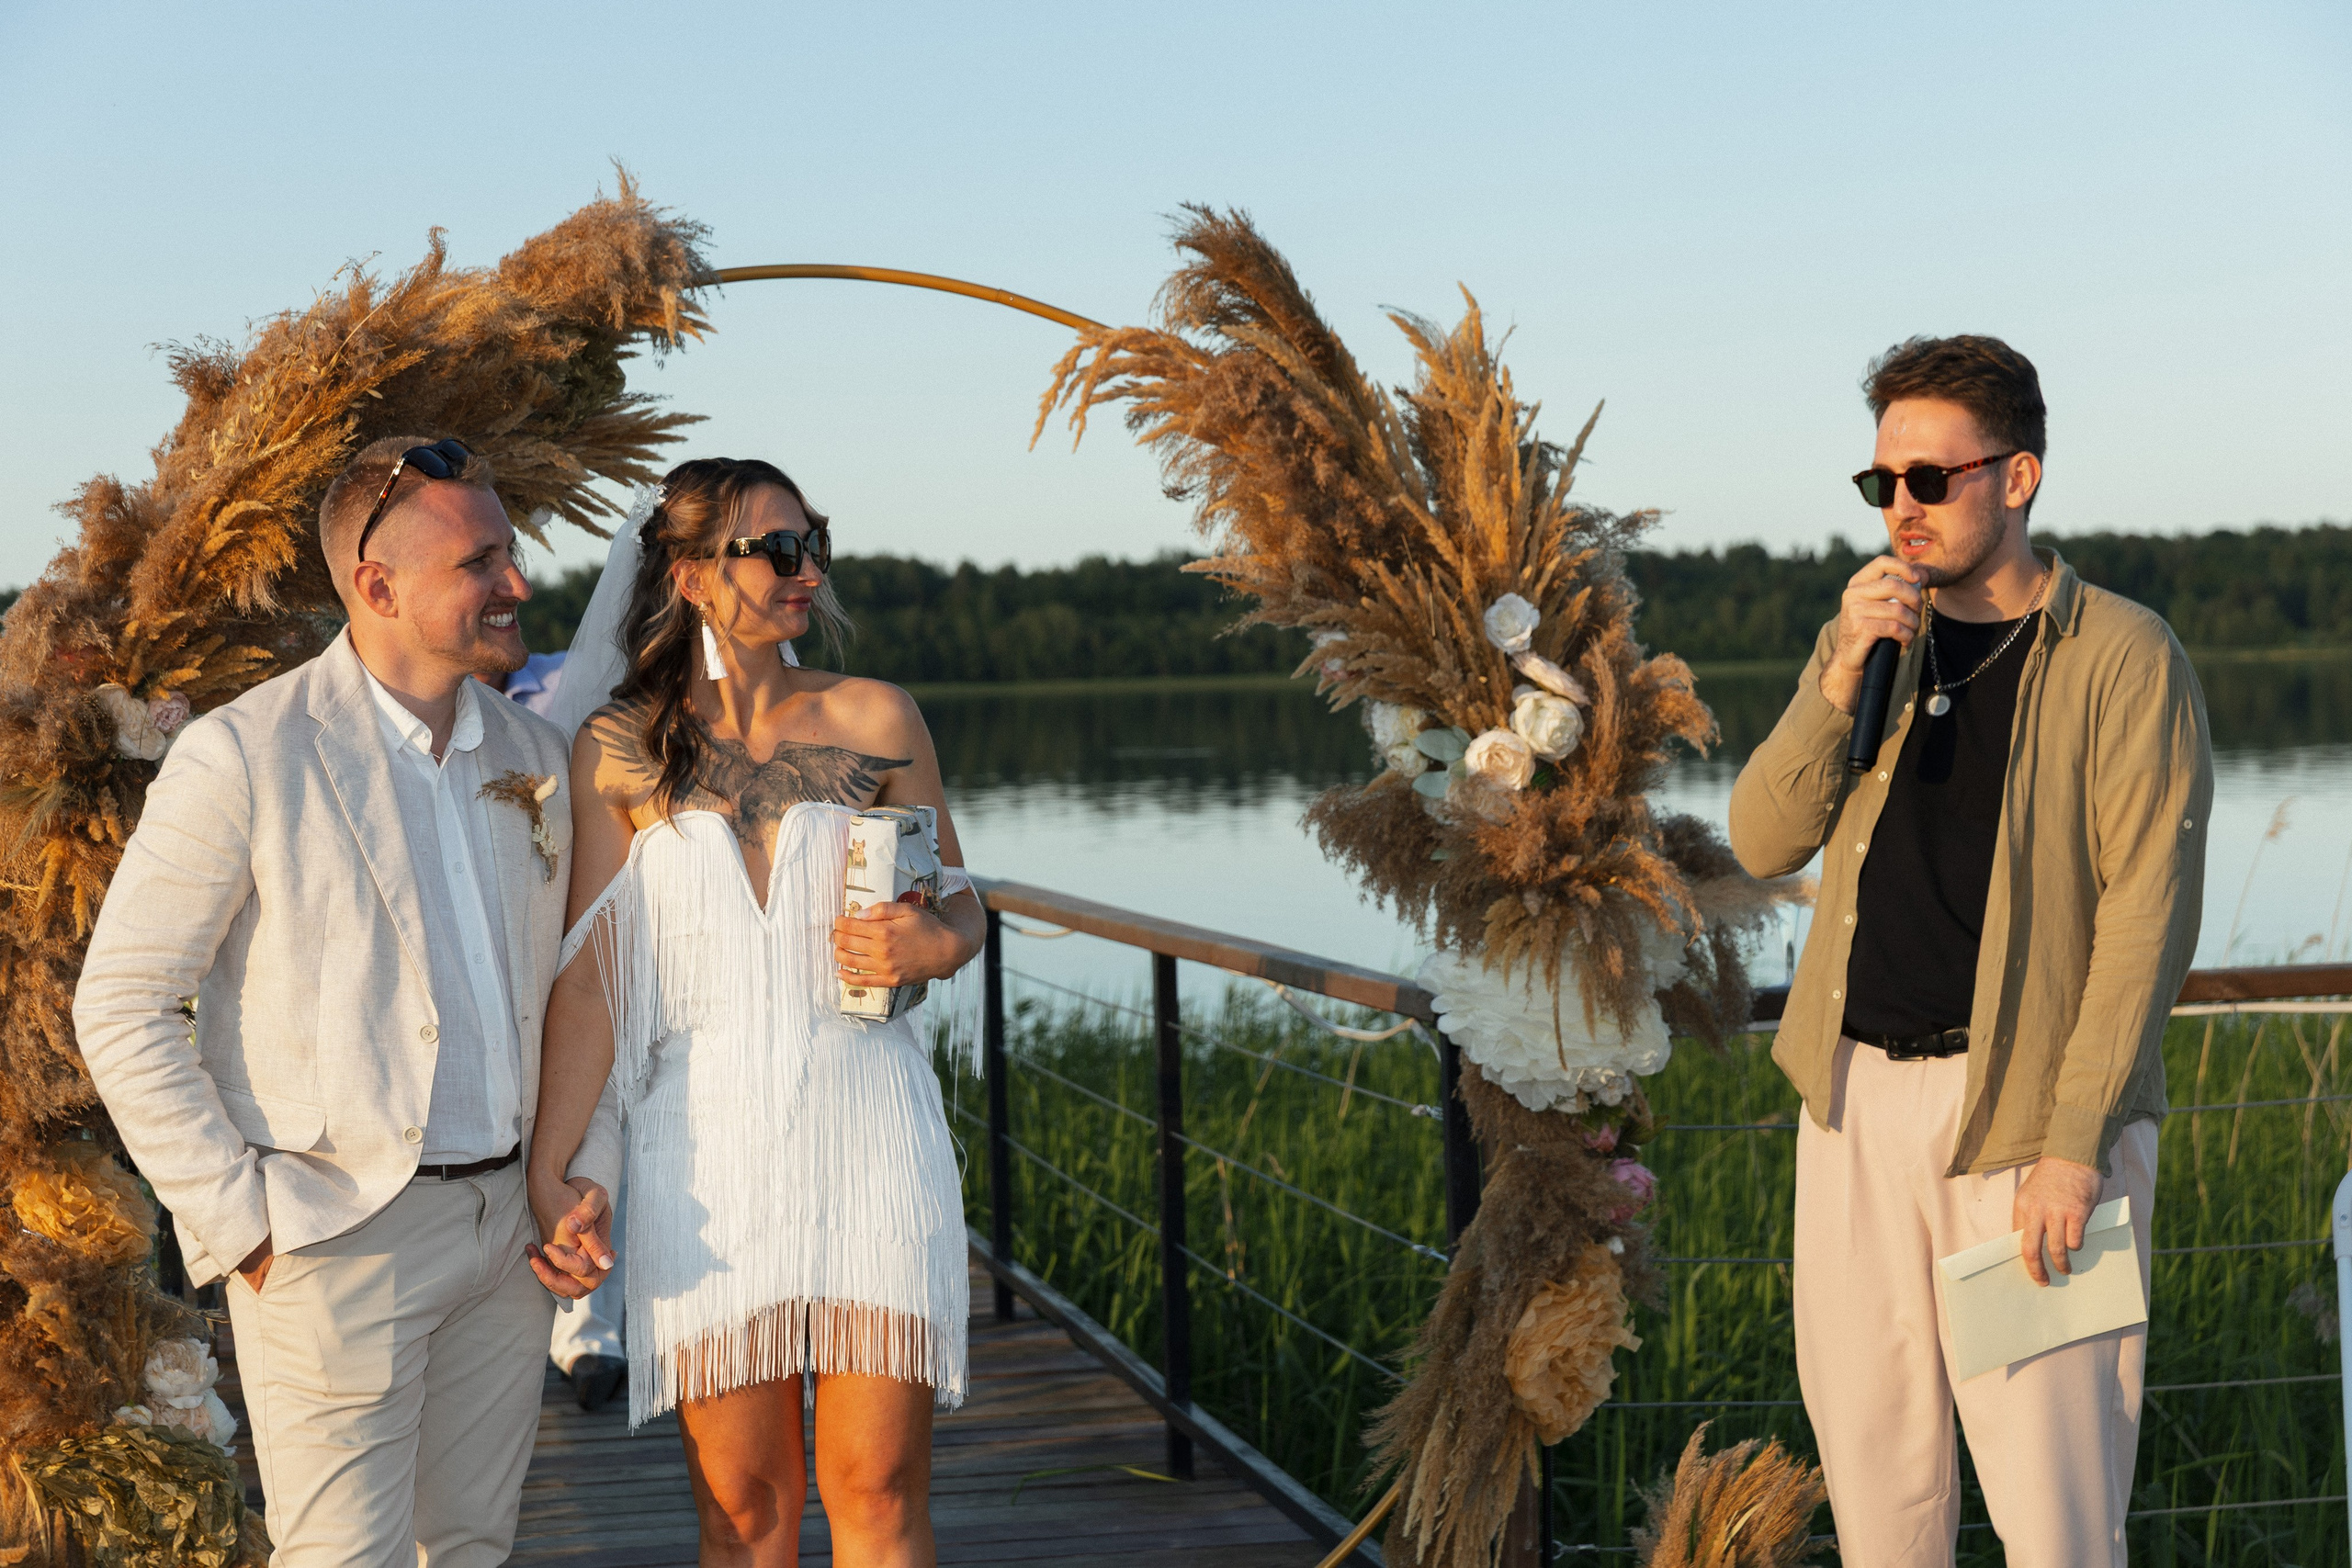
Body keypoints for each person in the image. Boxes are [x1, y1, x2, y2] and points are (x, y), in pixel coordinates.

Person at [74, 435, 608, 1565]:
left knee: (468, 1545)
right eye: (482, 562)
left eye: (510, 553)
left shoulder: (537, 755)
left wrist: (571, 1171)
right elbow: (122, 1002)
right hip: (332, 1237)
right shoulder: (243, 755)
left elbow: (573, 989)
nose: (518, 584)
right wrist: (242, 1220)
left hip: (505, 1231)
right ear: (378, 586)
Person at [1729, 336, 2211, 1566]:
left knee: (2056, 1511)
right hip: (1851, 1107)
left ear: (2019, 475)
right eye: (1883, 482)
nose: (1903, 509)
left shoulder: (2122, 653)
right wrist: (1837, 673)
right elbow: (1762, 832)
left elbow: (2144, 918)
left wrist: (2072, 1143)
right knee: (1880, 1500)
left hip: (2030, 1126)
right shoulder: (1874, 645)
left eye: (1931, 479)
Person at [527, 457, 983, 1566]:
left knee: (877, 1494)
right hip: (708, 1152)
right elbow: (592, 974)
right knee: (744, 1516)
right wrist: (557, 1167)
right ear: (687, 574)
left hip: (873, 1129)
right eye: (774, 548)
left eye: (812, 542)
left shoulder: (877, 714)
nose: (805, 569)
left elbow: (962, 905)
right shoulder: (619, 748)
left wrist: (937, 942)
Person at [477, 646, 629, 1413]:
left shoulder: (574, 686)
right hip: (501, 972)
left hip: (583, 946)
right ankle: (552, 1312)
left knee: (598, 1122)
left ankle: (590, 1328)